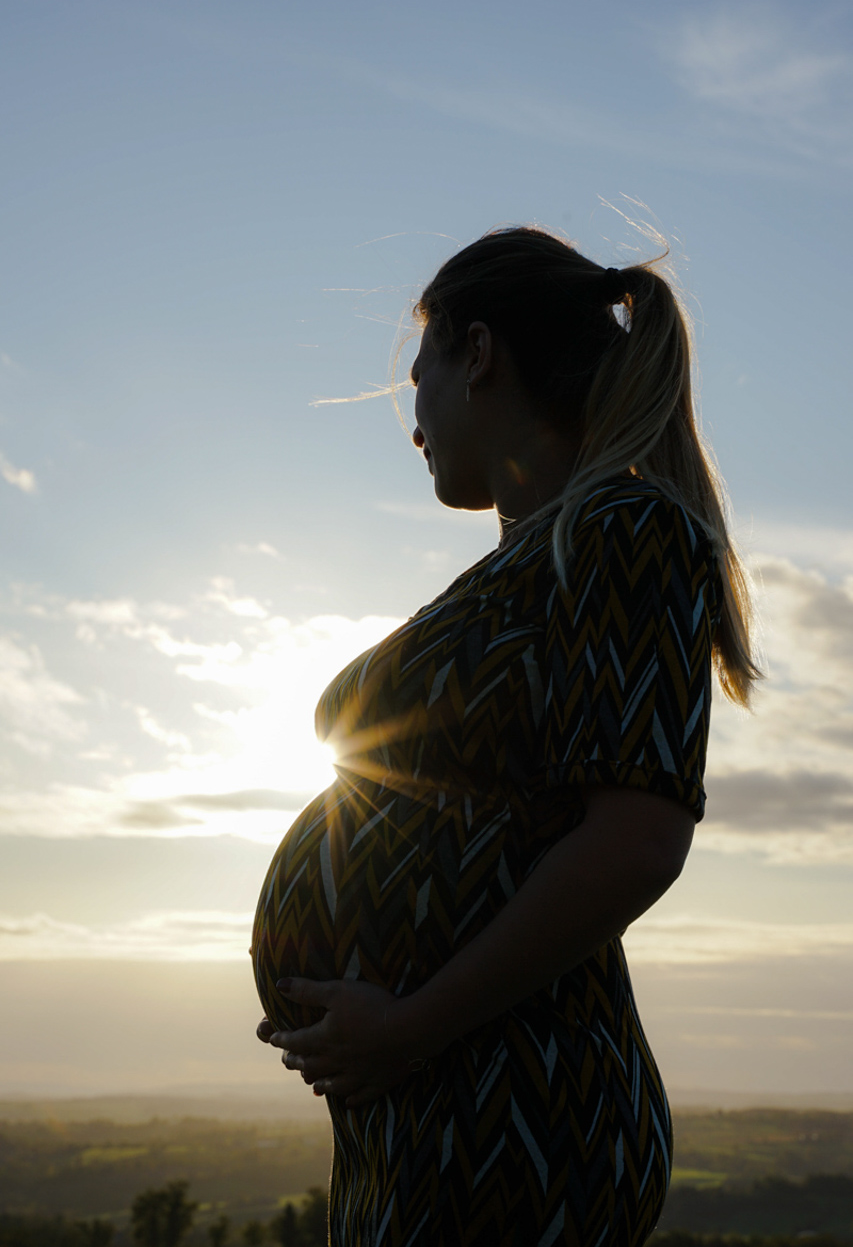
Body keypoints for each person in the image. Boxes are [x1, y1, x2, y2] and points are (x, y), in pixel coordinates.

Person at [252, 227, 759, 1246]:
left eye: (418, 380)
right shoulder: (542, 555)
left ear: (478, 352)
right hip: (435, 1114)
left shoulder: (625, 529)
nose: (414, 427)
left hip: (515, 1115)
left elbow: (635, 840)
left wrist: (408, 1023)